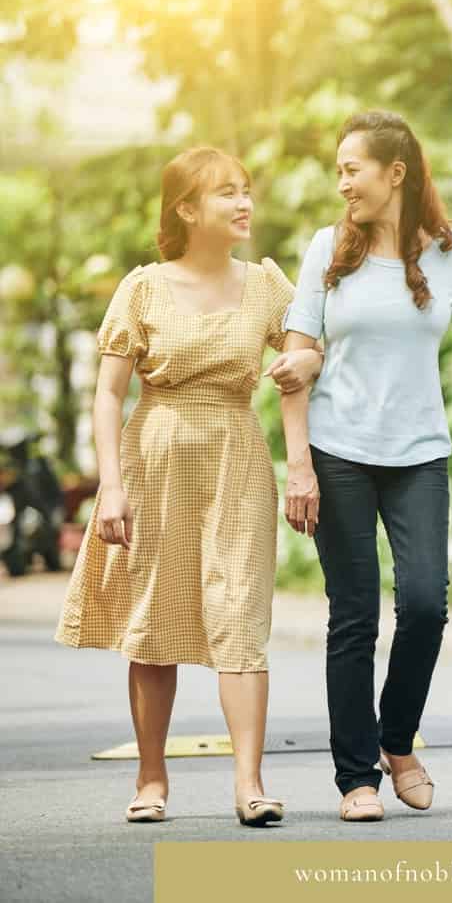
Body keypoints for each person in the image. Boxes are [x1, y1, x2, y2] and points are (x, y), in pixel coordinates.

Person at [55, 146, 323, 826]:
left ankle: (249, 785)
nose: (244, 204)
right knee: (157, 616)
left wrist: (306, 362)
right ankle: (150, 781)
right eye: (226, 192)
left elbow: (309, 343)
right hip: (158, 455)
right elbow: (108, 395)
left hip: (236, 454)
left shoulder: (266, 284)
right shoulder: (143, 287)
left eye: (246, 190)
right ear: (185, 208)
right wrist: (110, 488)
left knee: (240, 614)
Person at [280, 111, 452, 822]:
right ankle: (358, 777)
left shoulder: (449, 252)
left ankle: (396, 738)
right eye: (339, 170)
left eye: (353, 168)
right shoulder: (326, 248)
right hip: (338, 450)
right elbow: (295, 362)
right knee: (354, 616)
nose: (341, 182)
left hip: (416, 454)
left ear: (395, 172)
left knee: (424, 606)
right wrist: (299, 467)